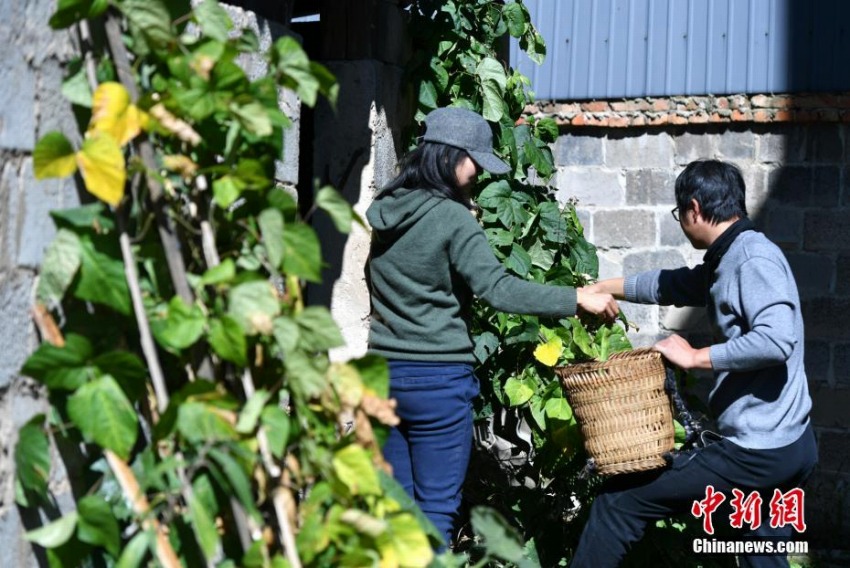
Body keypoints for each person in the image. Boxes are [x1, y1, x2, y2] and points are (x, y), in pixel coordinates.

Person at [365, 106, 620, 547]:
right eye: (475, 162)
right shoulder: (452, 219)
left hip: (380, 377)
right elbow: (498, 289)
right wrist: (574, 297)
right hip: (437, 385)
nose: (478, 173)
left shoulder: (385, 212)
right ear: (450, 157)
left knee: (395, 517)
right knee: (434, 517)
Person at [571, 160, 817, 568]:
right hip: (788, 445)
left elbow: (777, 339)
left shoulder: (752, 259)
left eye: (679, 213)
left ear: (695, 209)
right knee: (760, 553)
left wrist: (694, 357)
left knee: (619, 502)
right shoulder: (730, 255)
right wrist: (601, 288)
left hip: (758, 451)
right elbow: (674, 284)